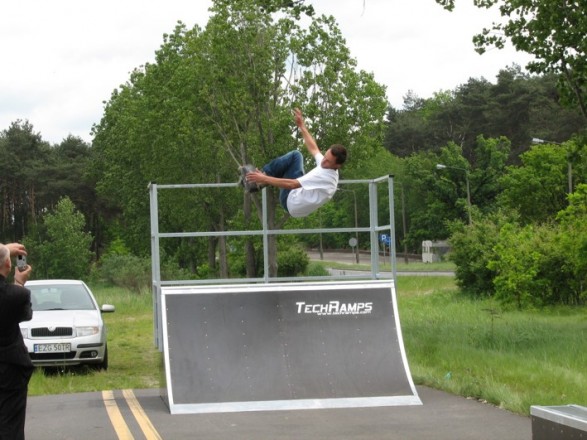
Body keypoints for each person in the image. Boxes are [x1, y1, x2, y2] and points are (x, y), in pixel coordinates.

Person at [244, 108, 347, 218]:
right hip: (297, 200)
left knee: (295, 156)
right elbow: (314, 149)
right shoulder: (327, 164)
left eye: (327, 161)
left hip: (291, 201)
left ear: (337, 166)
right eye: (325, 156)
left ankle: (260, 180)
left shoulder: (327, 178)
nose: (323, 162)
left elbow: (292, 184)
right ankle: (261, 178)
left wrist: (263, 178)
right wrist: (302, 126)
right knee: (297, 156)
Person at [0, 243, 33, 440]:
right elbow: (25, 315)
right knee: (10, 422)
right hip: (11, 368)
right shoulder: (17, 294)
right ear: (8, 264)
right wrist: (19, 283)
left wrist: (4, 247)